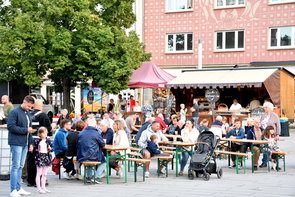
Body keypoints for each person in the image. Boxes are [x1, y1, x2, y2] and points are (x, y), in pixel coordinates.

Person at [7, 95, 36, 197]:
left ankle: (18, 188)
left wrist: (30, 143)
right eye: (29, 106)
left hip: (25, 143)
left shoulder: (27, 113)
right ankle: (13, 190)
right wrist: (26, 130)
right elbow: (10, 127)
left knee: (20, 166)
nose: (30, 108)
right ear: (24, 102)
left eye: (31, 107)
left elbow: (30, 129)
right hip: (16, 143)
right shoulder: (14, 112)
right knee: (16, 167)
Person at [26, 99, 52, 187]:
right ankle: (40, 181)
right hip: (40, 142)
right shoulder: (43, 115)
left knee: (30, 160)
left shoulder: (29, 114)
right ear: (41, 106)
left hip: (30, 140)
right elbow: (47, 128)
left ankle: (30, 180)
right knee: (40, 161)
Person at [77, 118, 106, 184]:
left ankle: (89, 177)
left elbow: (77, 144)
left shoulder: (81, 133)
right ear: (95, 125)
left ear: (87, 124)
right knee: (104, 162)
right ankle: (96, 177)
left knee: (89, 162)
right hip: (93, 156)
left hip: (82, 156)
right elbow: (102, 144)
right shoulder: (96, 133)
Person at [259, 102, 281, 168]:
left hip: (272, 135)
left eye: (266, 107)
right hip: (264, 134)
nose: (265, 109)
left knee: (274, 148)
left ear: (270, 108)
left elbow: (278, 126)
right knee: (265, 148)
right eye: (265, 107)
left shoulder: (275, 115)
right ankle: (264, 162)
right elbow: (260, 124)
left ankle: (275, 164)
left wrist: (277, 134)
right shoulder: (263, 115)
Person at [32, 127, 52, 194]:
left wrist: (50, 148)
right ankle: (39, 188)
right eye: (44, 133)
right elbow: (34, 150)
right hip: (40, 157)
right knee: (39, 173)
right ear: (40, 133)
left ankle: (43, 187)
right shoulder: (37, 141)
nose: (45, 134)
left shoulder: (48, 140)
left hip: (46, 157)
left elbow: (52, 149)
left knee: (45, 174)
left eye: (46, 132)